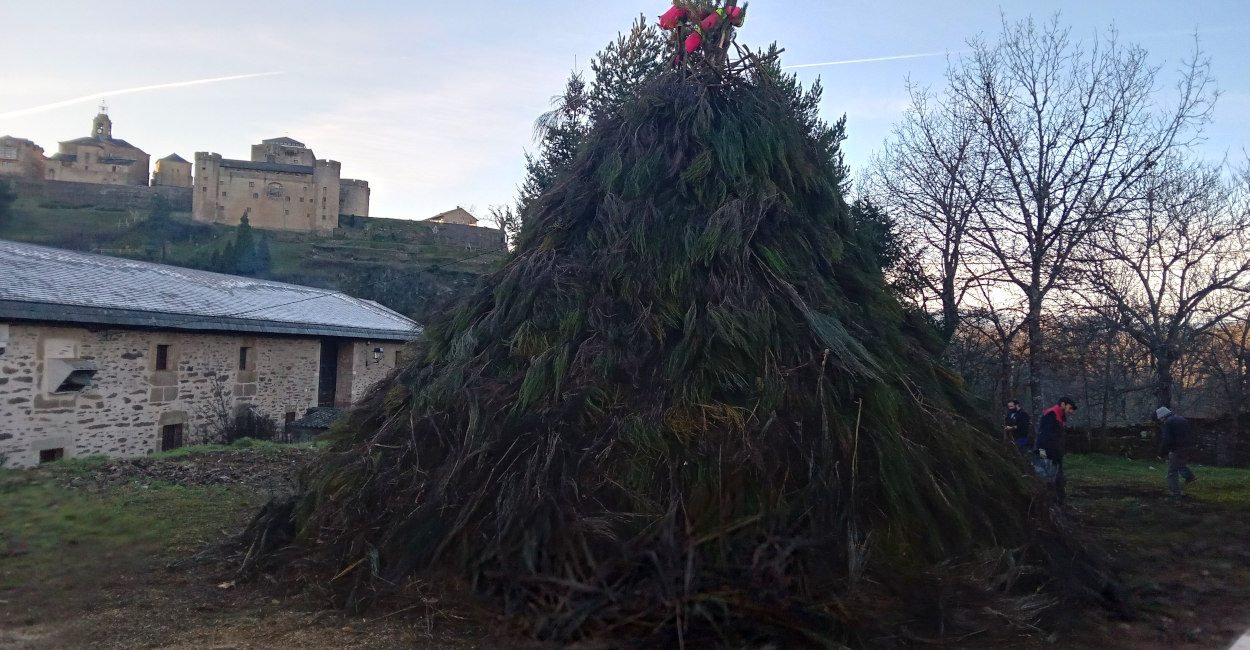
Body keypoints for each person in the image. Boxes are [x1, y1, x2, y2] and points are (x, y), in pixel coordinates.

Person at [1035, 396, 1077, 505]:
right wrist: (1042, 455)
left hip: (1057, 457)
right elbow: (1042, 437)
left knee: (1059, 482)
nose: (1071, 411)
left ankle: (1058, 505)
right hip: (1047, 456)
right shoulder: (1051, 414)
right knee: (1047, 482)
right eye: (1070, 408)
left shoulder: (1061, 418)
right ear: (1063, 404)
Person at [1156, 406, 1197, 498]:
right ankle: (1189, 476)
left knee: (1172, 472)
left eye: (1160, 418)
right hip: (1189, 447)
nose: (1161, 421)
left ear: (1163, 416)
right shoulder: (1182, 419)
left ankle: (1175, 494)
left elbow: (1167, 440)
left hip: (1177, 449)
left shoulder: (1168, 423)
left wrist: (1162, 453)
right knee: (1180, 464)